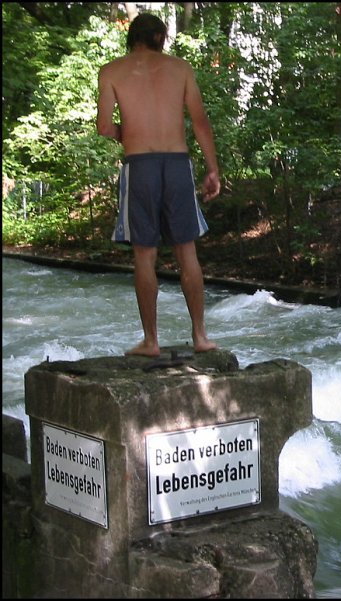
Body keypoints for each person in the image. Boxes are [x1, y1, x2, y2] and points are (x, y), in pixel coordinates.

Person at [96, 13, 220, 357]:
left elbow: (105, 127)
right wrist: (213, 170)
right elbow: (199, 121)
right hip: (178, 164)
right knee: (187, 252)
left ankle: (151, 342)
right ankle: (200, 336)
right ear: (160, 38)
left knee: (145, 255)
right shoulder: (181, 68)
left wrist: (129, 132)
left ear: (131, 38)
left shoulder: (111, 71)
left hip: (140, 166)